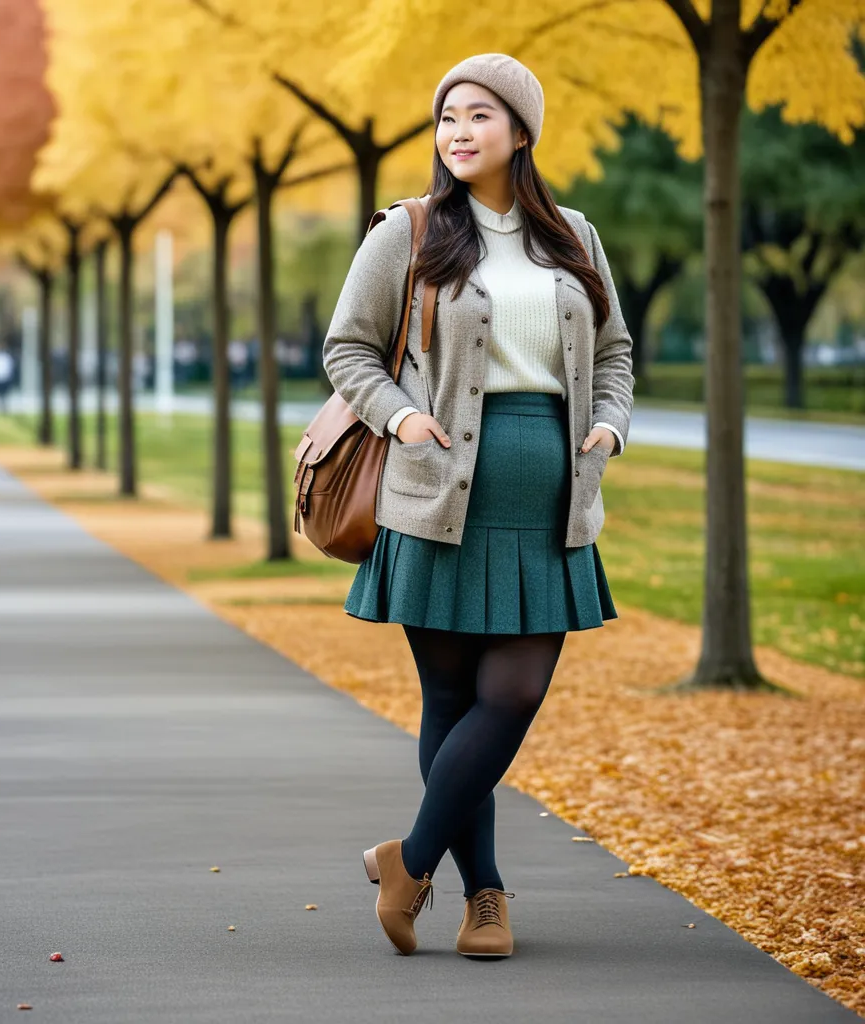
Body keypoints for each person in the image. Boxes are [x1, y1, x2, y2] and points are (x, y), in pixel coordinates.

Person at [322, 54, 634, 960]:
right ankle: (484, 897)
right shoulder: (407, 233)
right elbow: (348, 351)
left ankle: (407, 862)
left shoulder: (572, 235)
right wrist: (402, 415)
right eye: (446, 117)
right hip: (436, 499)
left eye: (479, 116)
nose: (457, 131)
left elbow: (613, 354)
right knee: (453, 700)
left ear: (522, 131)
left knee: (514, 693)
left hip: (551, 506)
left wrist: (610, 427)